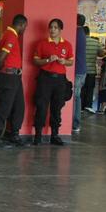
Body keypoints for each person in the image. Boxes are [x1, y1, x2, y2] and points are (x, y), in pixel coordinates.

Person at [32, 18, 74, 146]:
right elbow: (35, 61)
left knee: (57, 107)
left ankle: (54, 135)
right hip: (45, 78)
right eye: (51, 27)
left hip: (60, 80)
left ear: (61, 30)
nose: (52, 30)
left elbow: (71, 62)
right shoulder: (42, 43)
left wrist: (64, 62)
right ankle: (38, 135)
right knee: (41, 106)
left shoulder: (67, 45)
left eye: (55, 27)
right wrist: (47, 60)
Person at [0, 14, 29, 149]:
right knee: (4, 107)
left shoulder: (6, 34)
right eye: (25, 27)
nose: (25, 30)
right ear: (22, 25)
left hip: (15, 76)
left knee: (19, 106)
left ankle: (14, 134)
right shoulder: (11, 36)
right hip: (9, 76)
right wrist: (3, 70)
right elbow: (0, 57)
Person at [82, 26, 103, 113]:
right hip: (92, 70)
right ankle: (88, 106)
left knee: (81, 88)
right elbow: (101, 54)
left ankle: (80, 107)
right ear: (89, 33)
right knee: (90, 88)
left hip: (81, 70)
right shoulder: (96, 42)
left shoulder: (80, 42)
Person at [72, 14, 87, 132]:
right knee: (77, 96)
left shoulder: (76, 33)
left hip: (77, 70)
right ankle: (75, 123)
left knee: (75, 97)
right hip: (82, 70)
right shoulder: (82, 33)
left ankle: (75, 123)